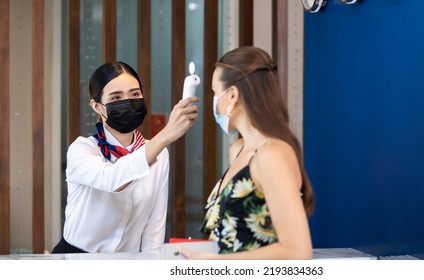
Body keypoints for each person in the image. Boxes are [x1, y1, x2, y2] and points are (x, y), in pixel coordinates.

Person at [178, 46, 314, 259]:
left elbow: (298, 251)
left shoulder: (272, 154)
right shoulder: (239, 150)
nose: (214, 103)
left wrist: (216, 263)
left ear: (232, 95)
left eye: (215, 93)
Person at [52, 61, 199, 253]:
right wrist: (167, 133)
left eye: (135, 94)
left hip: (125, 263)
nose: (128, 102)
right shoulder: (82, 149)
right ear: (97, 106)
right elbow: (112, 180)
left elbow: (154, 227)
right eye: (116, 97)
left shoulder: (158, 154)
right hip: (76, 260)